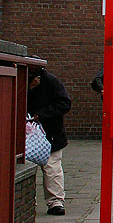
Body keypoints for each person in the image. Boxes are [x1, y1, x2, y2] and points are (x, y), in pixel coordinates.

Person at [27, 65, 72, 215]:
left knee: (52, 168)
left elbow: (64, 104)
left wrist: (41, 115)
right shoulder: (27, 82)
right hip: (32, 135)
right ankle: (35, 202)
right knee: (45, 169)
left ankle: (55, 202)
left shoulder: (51, 82)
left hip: (50, 133)